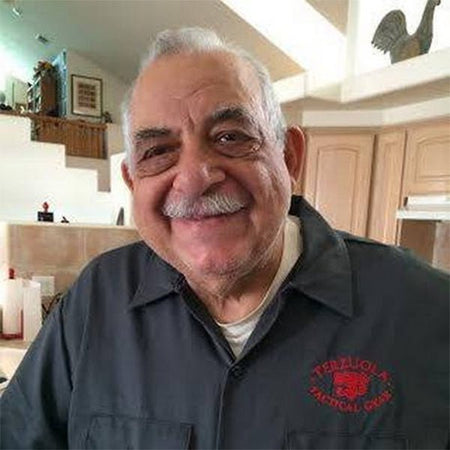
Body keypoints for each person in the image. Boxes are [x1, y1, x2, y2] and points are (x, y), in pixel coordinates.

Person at [1, 27, 448, 449]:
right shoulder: (94, 302)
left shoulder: (427, 314)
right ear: (133, 181)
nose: (195, 178)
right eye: (158, 151)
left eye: (230, 137)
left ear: (289, 157)